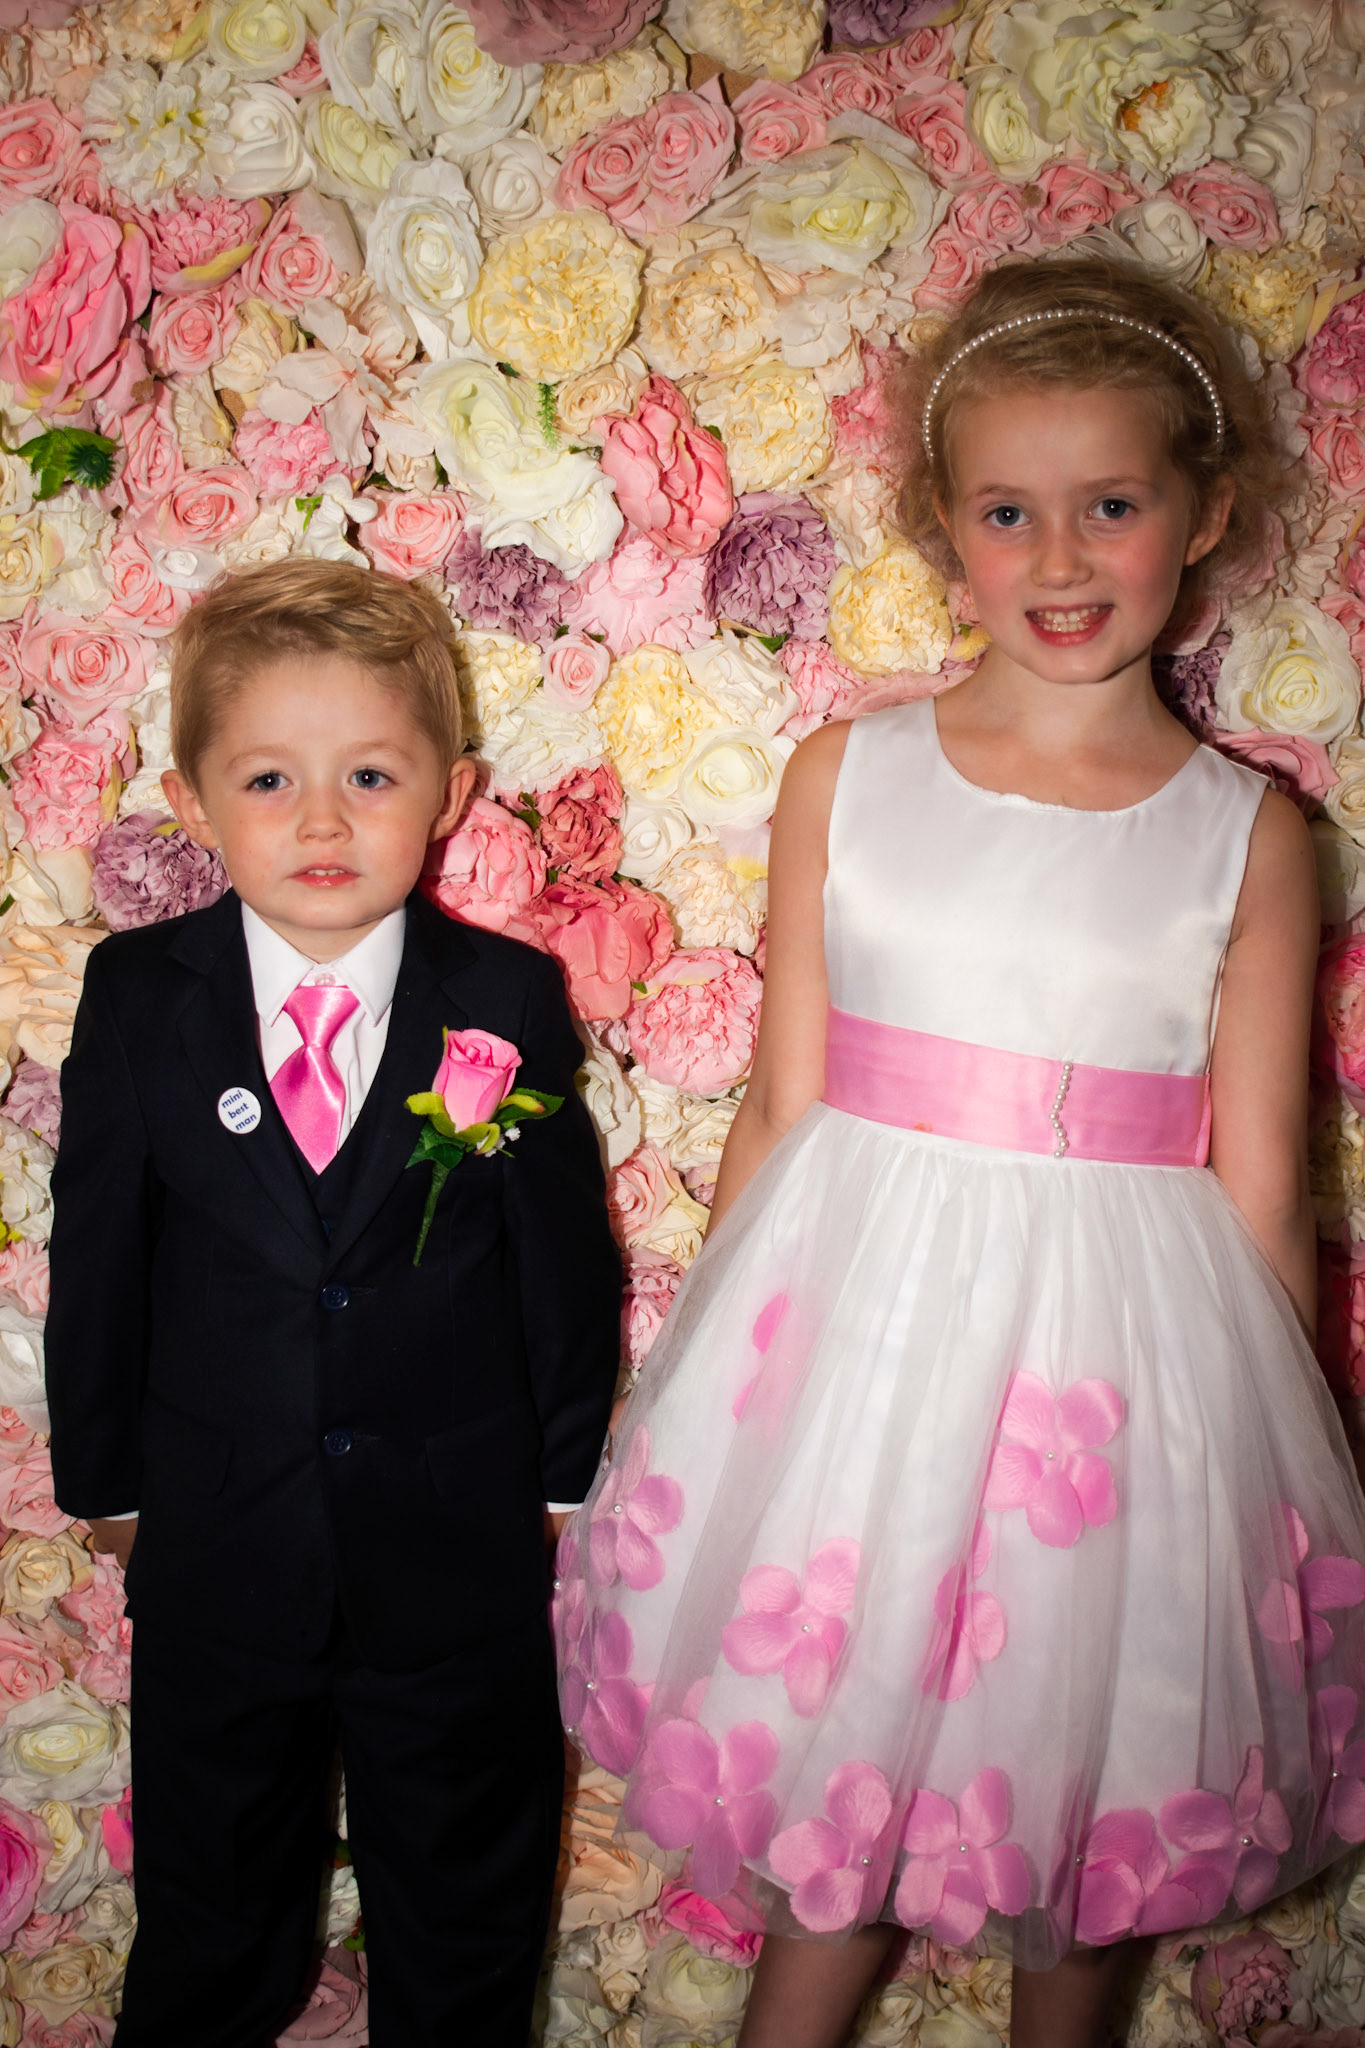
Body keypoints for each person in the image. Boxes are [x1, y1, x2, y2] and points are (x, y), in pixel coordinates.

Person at [553, 252, 1365, 2048]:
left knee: (1088, 1798)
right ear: (942, 527)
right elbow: (782, 1103)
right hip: (864, 1368)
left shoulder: (1247, 836)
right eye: (1008, 511)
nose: (1059, 557)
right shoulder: (847, 777)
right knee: (832, 1812)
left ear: (1200, 515)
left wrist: (1258, 1466)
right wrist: (704, 1386)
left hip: (1119, 1394)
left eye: (1110, 506)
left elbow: (1258, 1184)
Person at [45, 558, 621, 2048]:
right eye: (268, 780)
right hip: (216, 1542)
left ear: (450, 793)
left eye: (369, 775)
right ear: (191, 804)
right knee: (214, 1895)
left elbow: (561, 1260)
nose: (320, 822)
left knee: (466, 1894)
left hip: (456, 1544)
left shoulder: (504, 999)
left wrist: (557, 1479)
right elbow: (99, 1253)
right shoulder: (139, 995)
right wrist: (108, 1481)